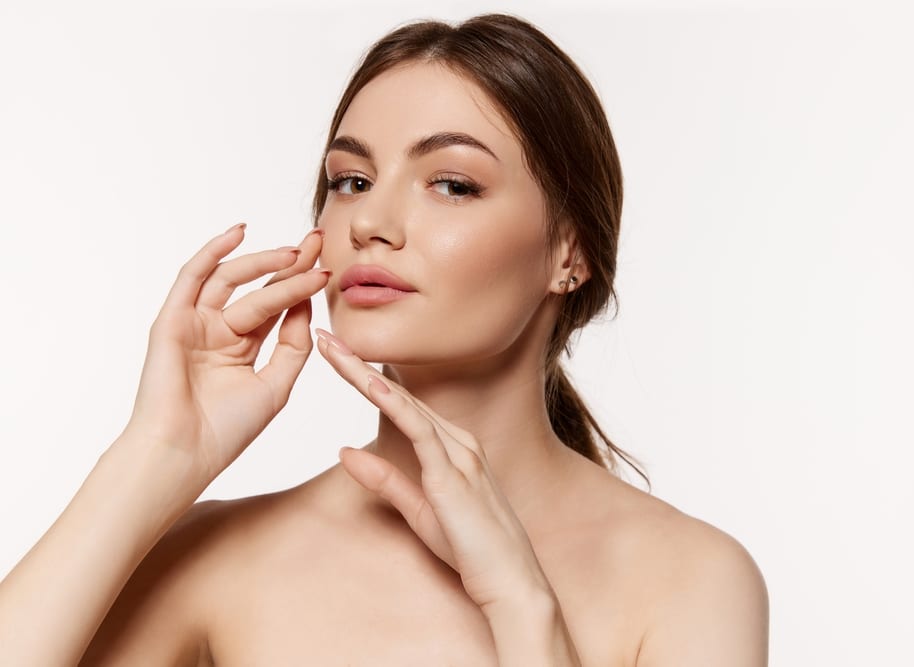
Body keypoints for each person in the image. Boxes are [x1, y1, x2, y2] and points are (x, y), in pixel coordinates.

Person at [0, 12, 768, 666]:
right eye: (352, 181)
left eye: (452, 183)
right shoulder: (216, 560)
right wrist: (156, 453)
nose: (369, 222)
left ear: (569, 251)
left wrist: (524, 607)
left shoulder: (690, 579)